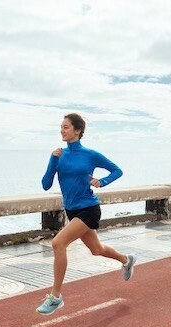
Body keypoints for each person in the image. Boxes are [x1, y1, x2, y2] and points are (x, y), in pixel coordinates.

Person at [36, 113, 135, 315]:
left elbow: (117, 171)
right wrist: (52, 160)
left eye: (65, 127)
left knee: (58, 243)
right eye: (61, 127)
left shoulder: (90, 154)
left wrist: (102, 182)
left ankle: (55, 297)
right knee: (97, 249)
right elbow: (46, 185)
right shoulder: (59, 155)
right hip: (72, 211)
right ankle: (126, 260)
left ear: (77, 130)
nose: (61, 130)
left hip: (89, 208)